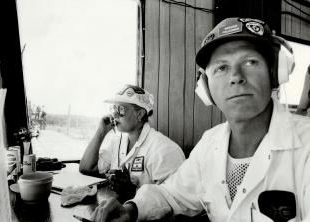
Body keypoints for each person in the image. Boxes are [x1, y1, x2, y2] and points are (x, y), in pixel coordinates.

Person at [91, 18, 310, 222]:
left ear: (275, 72)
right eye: (222, 67)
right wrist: (131, 209)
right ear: (206, 87)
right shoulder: (209, 144)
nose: (236, 77)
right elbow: (171, 194)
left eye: (251, 62)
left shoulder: (306, 146)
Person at [79, 84, 185, 202]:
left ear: (139, 114)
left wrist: (131, 192)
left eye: (121, 109)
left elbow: (173, 202)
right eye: (114, 108)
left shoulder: (164, 149)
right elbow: (86, 168)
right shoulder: (117, 142)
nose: (114, 114)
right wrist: (101, 132)